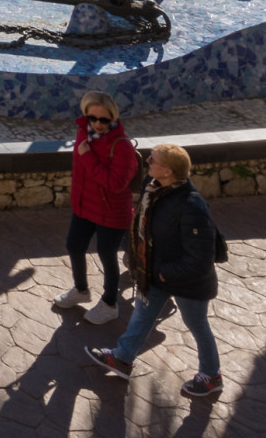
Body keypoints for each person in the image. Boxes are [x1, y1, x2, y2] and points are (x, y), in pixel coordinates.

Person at [91, 144, 223, 398]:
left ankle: (212, 376)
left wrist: (164, 272)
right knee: (142, 315)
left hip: (187, 281)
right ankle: (122, 358)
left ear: (168, 171)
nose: (148, 161)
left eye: (153, 160)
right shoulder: (153, 188)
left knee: (197, 324)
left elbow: (201, 257)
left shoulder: (191, 205)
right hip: (156, 272)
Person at [53, 93, 139, 325]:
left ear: (114, 117)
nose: (98, 124)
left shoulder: (122, 146)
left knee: (106, 255)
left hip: (112, 210)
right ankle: (81, 290)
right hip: (85, 204)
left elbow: (115, 184)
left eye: (104, 120)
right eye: (93, 118)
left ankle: (110, 304)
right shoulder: (83, 132)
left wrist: (88, 156)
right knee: (74, 245)